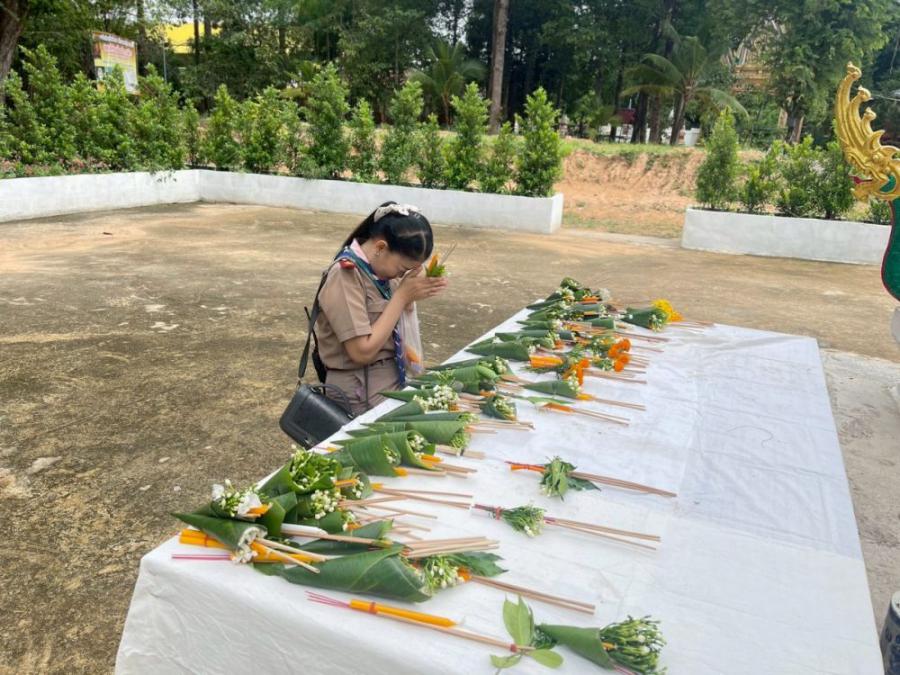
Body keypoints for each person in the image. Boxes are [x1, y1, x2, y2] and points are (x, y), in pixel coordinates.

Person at [314, 202, 448, 415]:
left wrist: (415, 291)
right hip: (361, 391)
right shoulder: (345, 274)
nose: (401, 275)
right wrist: (402, 297)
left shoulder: (381, 271)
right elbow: (361, 351)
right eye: (402, 269)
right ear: (380, 248)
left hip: (392, 379)